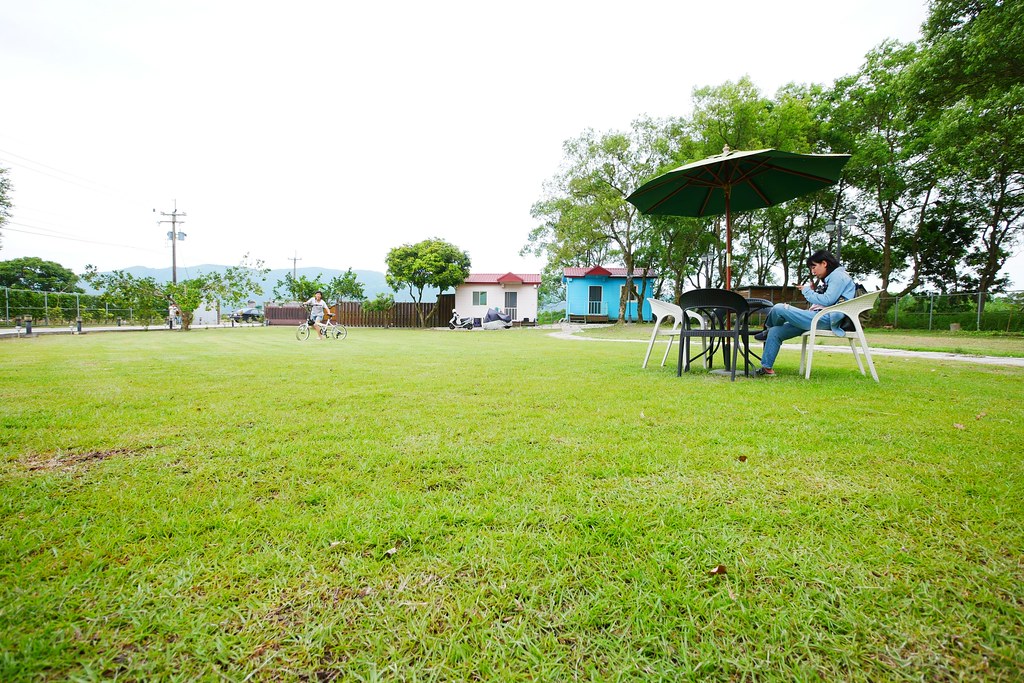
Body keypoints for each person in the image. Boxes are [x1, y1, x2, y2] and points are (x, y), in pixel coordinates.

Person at [753, 249, 857, 376]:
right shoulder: (832, 278)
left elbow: (828, 300)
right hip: (816, 316)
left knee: (779, 308)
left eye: (814, 267)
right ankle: (767, 368)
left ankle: (767, 329)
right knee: (776, 332)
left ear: (824, 263)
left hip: (824, 318)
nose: (813, 272)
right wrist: (814, 292)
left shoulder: (837, 276)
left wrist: (807, 291)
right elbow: (827, 300)